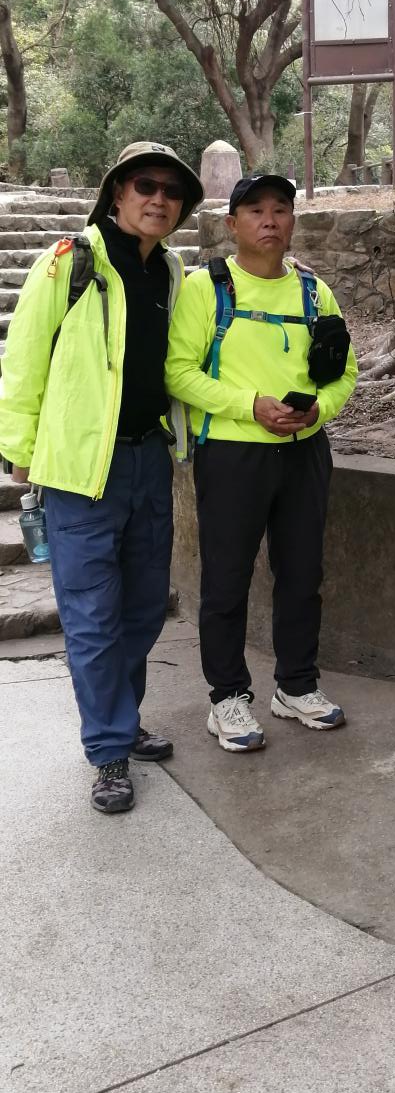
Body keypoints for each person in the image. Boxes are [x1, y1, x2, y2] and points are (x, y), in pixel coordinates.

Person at [0, 141, 203, 813]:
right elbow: (24, 358)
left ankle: (121, 716)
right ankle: (109, 748)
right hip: (79, 470)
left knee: (142, 608)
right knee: (91, 616)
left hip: (149, 460)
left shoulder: (171, 270)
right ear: (117, 193)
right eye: (145, 184)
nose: (159, 198)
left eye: (172, 191)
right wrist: (19, 449)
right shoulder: (70, 262)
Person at [165, 172, 358, 751]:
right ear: (232, 224)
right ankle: (227, 696)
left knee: (302, 575)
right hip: (232, 455)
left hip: (305, 453)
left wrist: (318, 411)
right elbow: (178, 371)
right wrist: (250, 406)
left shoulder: (314, 292)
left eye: (280, 209)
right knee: (227, 579)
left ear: (293, 220)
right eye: (254, 211)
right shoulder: (207, 288)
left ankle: (297, 685)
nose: (269, 220)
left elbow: (344, 371)